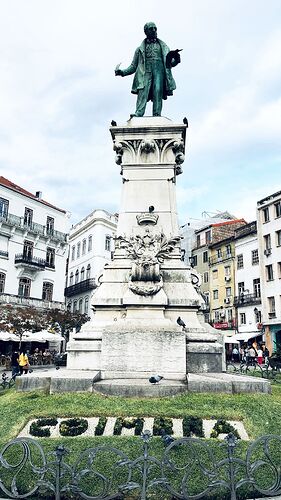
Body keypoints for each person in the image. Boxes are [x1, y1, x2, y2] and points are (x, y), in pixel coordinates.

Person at [115, 22, 181, 117]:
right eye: (151, 29)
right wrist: (122, 72)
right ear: (146, 32)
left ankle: (157, 114)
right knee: (143, 91)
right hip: (145, 71)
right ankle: (139, 112)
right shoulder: (139, 49)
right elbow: (133, 66)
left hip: (159, 70)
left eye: (155, 28)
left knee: (158, 90)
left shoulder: (163, 47)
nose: (154, 30)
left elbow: (169, 64)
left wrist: (177, 60)